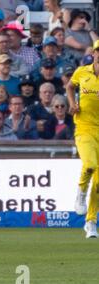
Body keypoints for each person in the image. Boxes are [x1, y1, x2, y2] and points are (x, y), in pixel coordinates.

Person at [66, 40, 99, 238]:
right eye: (98, 52)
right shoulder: (82, 72)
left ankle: (91, 222)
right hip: (84, 128)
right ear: (94, 53)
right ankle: (80, 192)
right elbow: (70, 87)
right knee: (89, 164)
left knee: (98, 183)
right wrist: (72, 104)